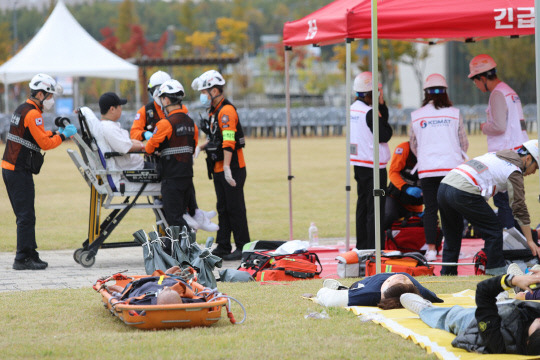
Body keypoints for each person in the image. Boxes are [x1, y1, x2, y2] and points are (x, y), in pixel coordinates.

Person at [2, 73, 77, 270]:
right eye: (50, 96)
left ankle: (30, 253)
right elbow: (44, 143)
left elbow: (36, 136)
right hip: (17, 170)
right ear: (41, 95)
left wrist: (55, 133)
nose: (52, 100)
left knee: (26, 214)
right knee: (26, 215)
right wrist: (63, 136)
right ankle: (22, 258)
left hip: (12, 168)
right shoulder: (33, 114)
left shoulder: (23, 108)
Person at [437, 140, 540, 276]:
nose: (534, 172)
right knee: (493, 230)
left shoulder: (497, 156)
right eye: (536, 167)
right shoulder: (514, 171)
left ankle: (448, 274)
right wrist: (530, 241)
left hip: (444, 186)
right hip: (463, 190)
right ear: (528, 159)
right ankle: (496, 272)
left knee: (452, 234)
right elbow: (519, 207)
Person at [400, 273, 540, 355]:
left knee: (451, 317)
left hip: (474, 326)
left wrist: (512, 280)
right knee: (501, 304)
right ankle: (500, 300)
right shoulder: (533, 326)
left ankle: (425, 309)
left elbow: (483, 291)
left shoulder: (497, 340)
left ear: (527, 341)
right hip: (509, 309)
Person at [410, 73, 469, 262]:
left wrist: (426, 157)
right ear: (445, 93)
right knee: (452, 208)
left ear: (426, 93)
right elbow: (463, 142)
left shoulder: (417, 115)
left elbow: (413, 143)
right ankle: (453, 248)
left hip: (427, 169)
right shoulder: (454, 114)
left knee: (430, 209)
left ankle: (431, 249)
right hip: (452, 168)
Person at [192, 70, 250, 261]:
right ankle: (223, 245)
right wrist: (200, 148)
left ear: (215, 91)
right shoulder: (214, 111)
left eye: (204, 92)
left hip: (231, 168)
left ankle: (243, 246)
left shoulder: (226, 111)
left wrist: (226, 168)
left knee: (235, 208)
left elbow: (228, 140)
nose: (203, 96)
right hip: (218, 167)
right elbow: (215, 138)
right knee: (223, 207)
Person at [468, 54, 529, 230]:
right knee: (515, 203)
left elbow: (500, 126)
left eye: (475, 81)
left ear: (482, 77)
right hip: (519, 152)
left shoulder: (497, 94)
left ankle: (508, 246)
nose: (476, 85)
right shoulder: (510, 92)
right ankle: (520, 246)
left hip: (505, 156)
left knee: (503, 203)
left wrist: (484, 127)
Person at [145, 79, 199, 232]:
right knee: (182, 214)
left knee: (173, 217)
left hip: (171, 178)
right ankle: (178, 248)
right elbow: (192, 147)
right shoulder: (190, 122)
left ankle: (181, 250)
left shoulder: (165, 124)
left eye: (162, 98)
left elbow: (149, 148)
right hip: (188, 176)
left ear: (166, 100)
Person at [350, 71, 393, 250]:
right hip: (374, 167)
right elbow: (385, 134)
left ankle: (362, 246)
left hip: (360, 163)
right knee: (375, 209)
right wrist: (381, 108)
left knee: (362, 207)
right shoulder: (369, 112)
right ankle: (374, 248)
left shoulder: (353, 109)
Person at [307, 273, 443, 309]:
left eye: (396, 279)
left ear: (387, 284)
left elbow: (330, 300)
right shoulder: (413, 286)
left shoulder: (370, 293)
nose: (403, 277)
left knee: (351, 290)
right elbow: (433, 297)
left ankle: (342, 289)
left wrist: (323, 291)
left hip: (359, 286)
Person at [384, 141, 423, 230]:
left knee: (425, 222)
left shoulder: (432, 151)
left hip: (415, 204)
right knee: (388, 216)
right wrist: (406, 188)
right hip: (395, 198)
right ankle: (382, 241)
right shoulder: (404, 148)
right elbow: (393, 172)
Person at [130, 70, 170, 141]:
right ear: (152, 92)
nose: (161, 95)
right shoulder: (145, 111)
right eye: (158, 90)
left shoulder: (179, 108)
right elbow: (134, 133)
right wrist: (144, 134)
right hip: (154, 150)